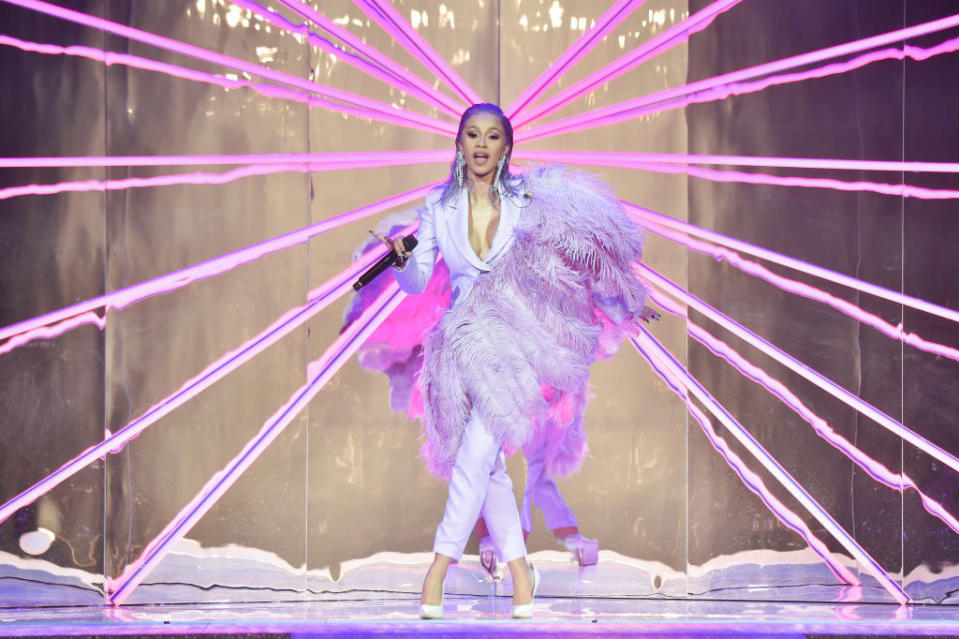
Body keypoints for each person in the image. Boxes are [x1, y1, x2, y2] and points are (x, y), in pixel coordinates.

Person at [372, 103, 653, 619]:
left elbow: (574, 255)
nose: (481, 144)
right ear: (459, 144)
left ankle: (438, 569)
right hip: (461, 345)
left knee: (477, 449)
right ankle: (523, 577)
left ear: (506, 148)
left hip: (517, 343)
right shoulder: (439, 206)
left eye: (493, 136)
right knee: (489, 464)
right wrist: (401, 260)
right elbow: (418, 282)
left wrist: (619, 297)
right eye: (472, 135)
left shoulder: (529, 203)